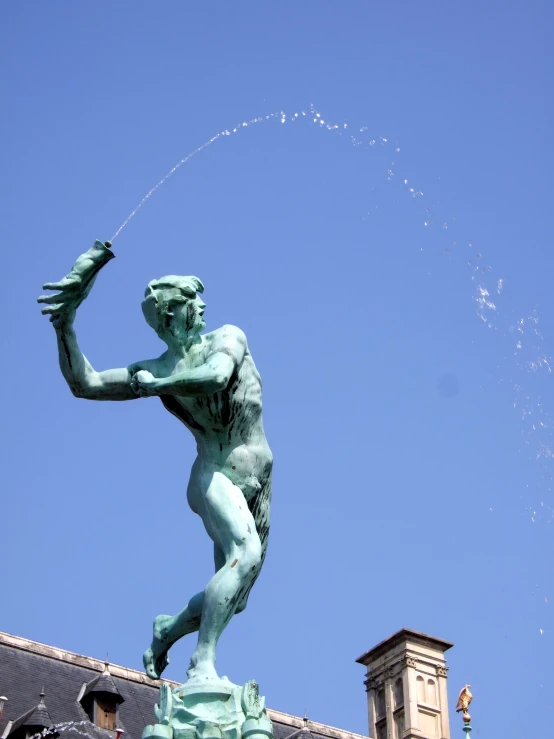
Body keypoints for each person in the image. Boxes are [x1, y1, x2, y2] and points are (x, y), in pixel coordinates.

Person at [38, 241, 272, 682]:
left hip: (260, 476)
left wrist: (157, 384)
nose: (202, 306)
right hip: (214, 473)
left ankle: (167, 630)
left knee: (236, 593)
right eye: (191, 301)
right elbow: (84, 383)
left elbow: (217, 376)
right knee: (246, 553)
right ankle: (203, 664)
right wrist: (65, 324)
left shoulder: (226, 337)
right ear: (170, 317)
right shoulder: (154, 369)